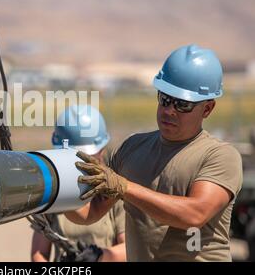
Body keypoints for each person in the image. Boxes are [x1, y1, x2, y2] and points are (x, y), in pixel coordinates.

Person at [67, 45, 243, 261]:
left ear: (207, 109)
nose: (169, 110)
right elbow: (90, 213)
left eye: (183, 104)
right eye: (165, 99)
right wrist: (52, 197)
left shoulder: (220, 156)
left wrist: (124, 187)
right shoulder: (131, 149)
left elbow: (195, 213)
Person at [31, 105, 126, 262]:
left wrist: (100, 256)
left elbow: (129, 249)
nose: (79, 163)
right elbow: (39, 253)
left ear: (101, 151)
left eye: (86, 157)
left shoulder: (114, 192)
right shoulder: (54, 190)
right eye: (73, 157)